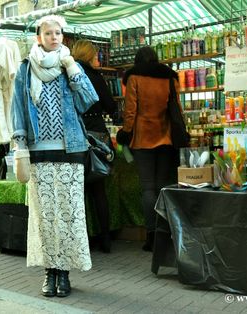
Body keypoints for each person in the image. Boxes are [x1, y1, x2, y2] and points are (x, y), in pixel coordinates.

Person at [11, 15, 98, 298]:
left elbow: (88, 100)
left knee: (69, 215)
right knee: (45, 217)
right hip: (38, 152)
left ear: (63, 36)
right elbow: (18, 109)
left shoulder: (69, 66)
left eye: (58, 33)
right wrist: (20, 145)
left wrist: (72, 67)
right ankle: (51, 272)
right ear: (39, 37)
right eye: (48, 33)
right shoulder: (25, 69)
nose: (54, 37)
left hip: (71, 149)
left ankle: (66, 273)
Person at [116, 46, 179, 252]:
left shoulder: (134, 77)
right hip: (166, 136)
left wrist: (125, 133)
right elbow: (176, 107)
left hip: (143, 138)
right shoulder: (169, 76)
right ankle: (165, 233)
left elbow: (131, 110)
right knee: (163, 186)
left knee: (148, 188)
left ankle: (151, 235)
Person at [71, 39, 116, 253]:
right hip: (97, 136)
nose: (98, 59)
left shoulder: (68, 75)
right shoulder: (96, 78)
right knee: (99, 191)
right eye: (96, 55)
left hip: (76, 137)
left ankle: (82, 241)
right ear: (89, 55)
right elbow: (111, 106)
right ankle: (105, 238)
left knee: (76, 192)